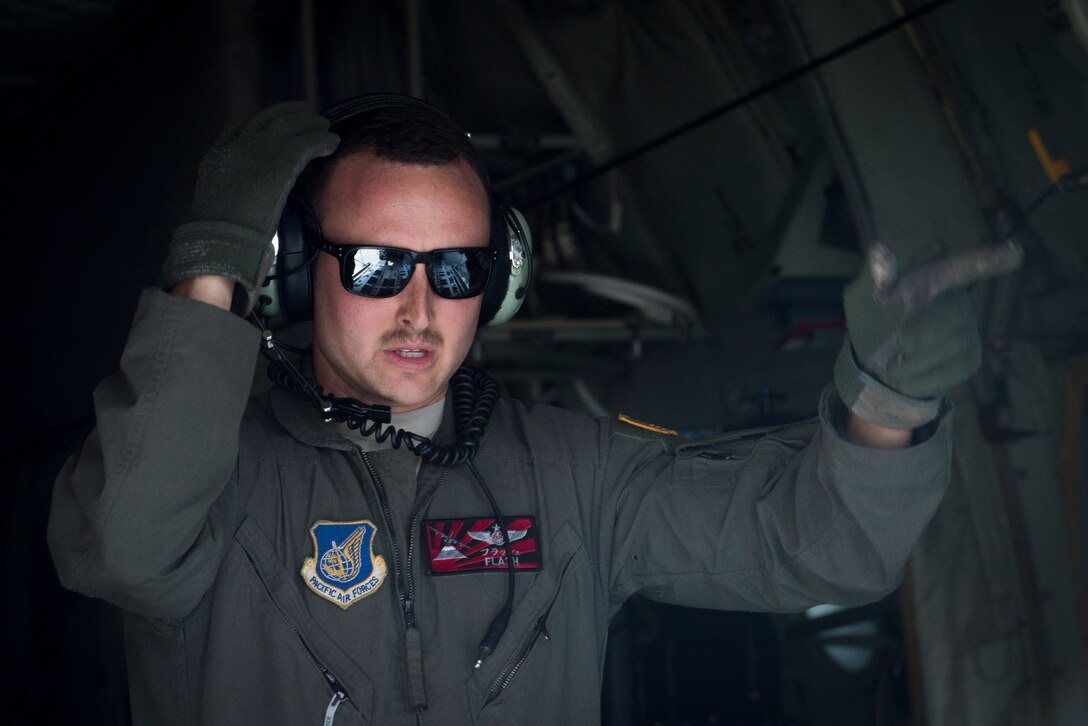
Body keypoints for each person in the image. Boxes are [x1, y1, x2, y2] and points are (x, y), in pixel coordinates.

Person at [48, 95, 994, 725]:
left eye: (457, 270)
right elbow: (118, 547)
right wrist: (212, 267)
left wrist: (892, 394)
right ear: (295, 272)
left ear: (496, 286)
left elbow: (819, 545)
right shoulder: (213, 471)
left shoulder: (572, 474)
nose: (420, 309)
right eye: (377, 266)